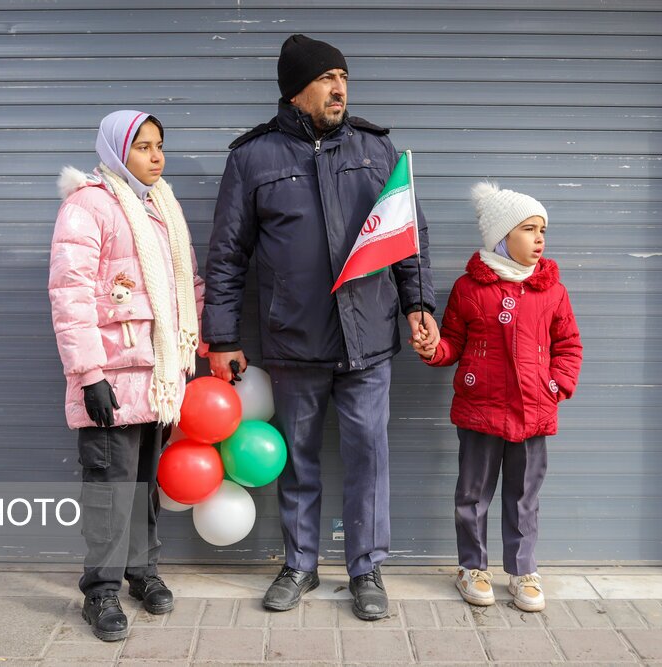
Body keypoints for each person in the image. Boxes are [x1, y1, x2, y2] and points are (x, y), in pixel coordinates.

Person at [202, 34, 437, 621]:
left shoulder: (376, 150)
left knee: (368, 456)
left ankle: (367, 568)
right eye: (327, 78)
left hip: (369, 337)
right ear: (296, 90)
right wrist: (224, 337)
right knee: (299, 458)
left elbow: (409, 239)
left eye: (344, 77)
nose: (340, 89)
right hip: (293, 340)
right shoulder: (252, 158)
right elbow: (227, 255)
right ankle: (300, 563)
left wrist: (418, 305)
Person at [48, 110, 205, 641]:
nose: (156, 156)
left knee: (143, 487)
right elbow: (70, 295)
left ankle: (142, 573)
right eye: (143, 146)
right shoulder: (89, 205)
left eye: (160, 145)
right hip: (112, 377)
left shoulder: (161, 207)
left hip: (158, 377)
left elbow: (188, 285)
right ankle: (101, 592)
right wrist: (88, 373)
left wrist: (206, 344)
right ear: (117, 150)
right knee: (109, 490)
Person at [414, 181, 582, 613]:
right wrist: (434, 349)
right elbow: (452, 342)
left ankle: (523, 570)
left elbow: (568, 345)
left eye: (542, 229)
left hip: (533, 412)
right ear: (502, 237)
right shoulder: (471, 289)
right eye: (528, 229)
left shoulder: (551, 291)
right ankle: (472, 567)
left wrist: (556, 385)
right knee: (472, 494)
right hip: (480, 410)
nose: (539, 238)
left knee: (524, 495)